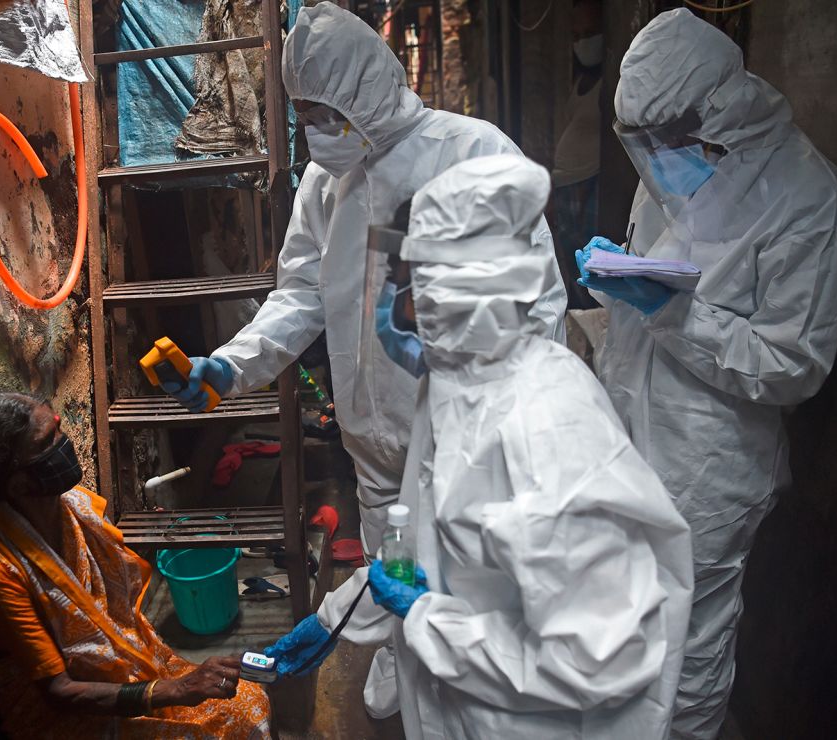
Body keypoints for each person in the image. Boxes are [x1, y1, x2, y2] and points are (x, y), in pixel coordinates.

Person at [163, 3, 567, 718]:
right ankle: (396, 653)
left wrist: (508, 422)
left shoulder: (473, 153)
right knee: (391, 562)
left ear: (366, 93)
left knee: (473, 580)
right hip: (372, 440)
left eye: (325, 113)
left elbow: (536, 308)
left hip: (464, 441)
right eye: (303, 114)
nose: (313, 130)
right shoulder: (324, 185)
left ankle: (473, 693)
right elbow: (300, 295)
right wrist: (232, 364)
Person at [265, 154, 694, 739]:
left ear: (457, 292)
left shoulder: (549, 431)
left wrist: (428, 623)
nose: (392, 306)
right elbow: (422, 547)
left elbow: (601, 656)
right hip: (461, 711)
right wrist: (334, 618)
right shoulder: (456, 386)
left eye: (403, 283)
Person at [575, 9, 837, 739]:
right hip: (629, 436)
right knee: (623, 620)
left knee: (690, 644)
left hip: (710, 469)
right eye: (637, 143)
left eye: (662, 141)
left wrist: (671, 313)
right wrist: (616, 278)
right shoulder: (665, 166)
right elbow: (652, 278)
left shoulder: (813, 205)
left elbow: (790, 364)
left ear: (720, 112)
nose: (651, 158)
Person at [0, 392, 271, 738]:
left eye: (59, 428)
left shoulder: (75, 507)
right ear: (18, 483)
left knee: (250, 702)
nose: (64, 443)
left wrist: (179, 685)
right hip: (67, 710)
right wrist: (177, 689)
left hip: (126, 670)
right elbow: (59, 692)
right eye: (49, 441)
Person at [549, 0, 604, 310]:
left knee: (588, 265)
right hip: (567, 186)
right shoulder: (580, 80)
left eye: (591, 32)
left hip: (587, 188)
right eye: (578, 34)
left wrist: (582, 192)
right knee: (570, 261)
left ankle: (593, 319)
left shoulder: (609, 84)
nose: (583, 41)